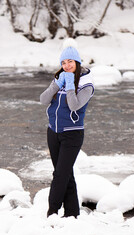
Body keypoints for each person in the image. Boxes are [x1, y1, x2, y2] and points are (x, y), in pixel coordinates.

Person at [39, 40, 94, 218]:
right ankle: (72, 214)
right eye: (63, 63)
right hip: (53, 132)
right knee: (66, 175)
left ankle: (52, 212)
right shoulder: (60, 77)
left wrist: (70, 85)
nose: (66, 66)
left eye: (70, 62)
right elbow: (43, 100)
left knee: (60, 175)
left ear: (77, 62)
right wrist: (57, 83)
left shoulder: (87, 83)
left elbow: (74, 106)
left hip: (72, 134)